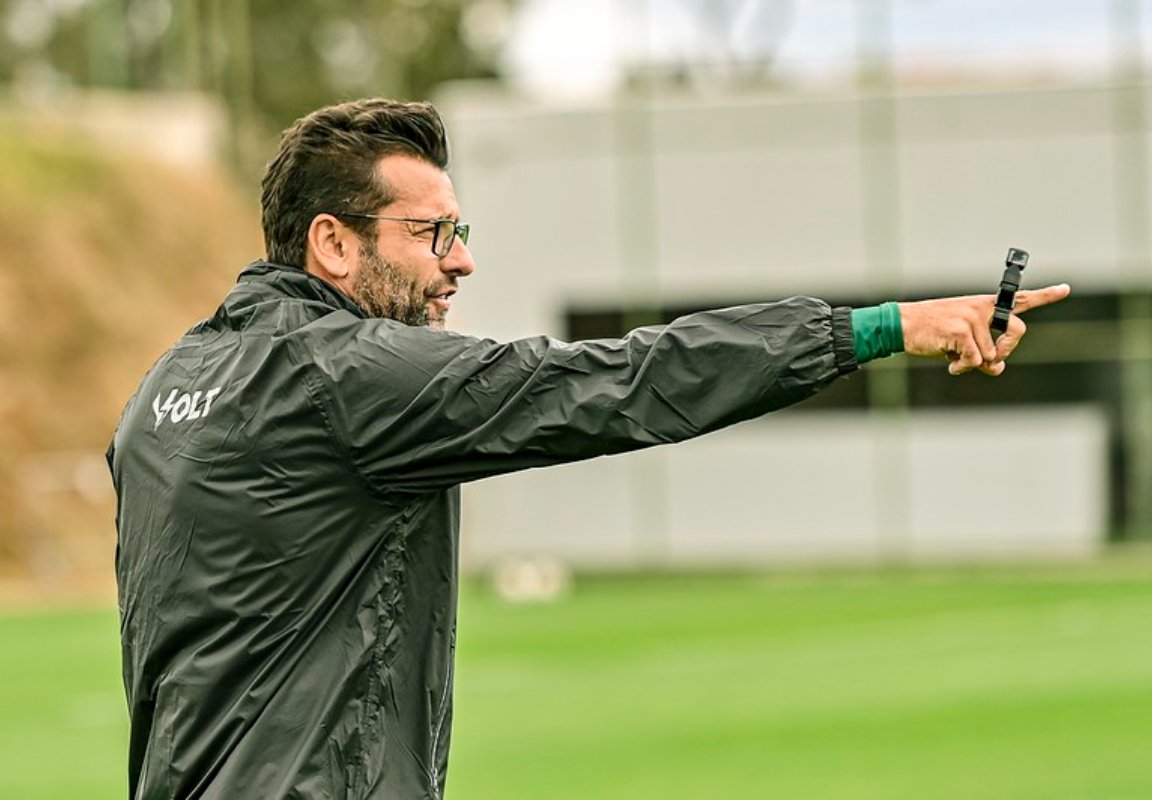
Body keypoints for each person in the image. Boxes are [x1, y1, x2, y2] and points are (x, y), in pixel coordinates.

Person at [107, 98, 1070, 799]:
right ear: (333, 243)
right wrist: (879, 328)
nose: (461, 259)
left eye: (461, 229)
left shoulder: (164, 391)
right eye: (431, 231)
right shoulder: (350, 377)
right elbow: (622, 380)